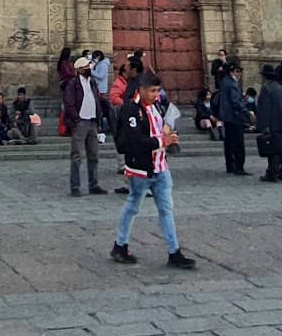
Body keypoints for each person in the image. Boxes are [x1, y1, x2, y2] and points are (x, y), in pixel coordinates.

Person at [110, 69, 196, 268]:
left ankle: (174, 252)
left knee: (166, 209)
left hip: (161, 167)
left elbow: (158, 131)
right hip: (141, 170)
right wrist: (162, 140)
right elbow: (136, 140)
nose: (156, 95)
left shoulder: (156, 107)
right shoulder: (131, 110)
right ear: (141, 89)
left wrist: (169, 135)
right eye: (152, 91)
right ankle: (120, 245)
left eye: (158, 90)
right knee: (133, 206)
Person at [62, 54, 108, 195]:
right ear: (79, 69)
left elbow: (96, 99)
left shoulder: (92, 82)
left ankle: (93, 184)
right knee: (77, 155)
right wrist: (76, 119)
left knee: (93, 155)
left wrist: (99, 117)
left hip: (93, 122)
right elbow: (69, 103)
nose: (89, 68)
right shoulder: (73, 84)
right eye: (86, 66)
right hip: (80, 122)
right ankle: (75, 187)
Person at [216, 60, 248, 176]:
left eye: (240, 71)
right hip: (234, 117)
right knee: (238, 143)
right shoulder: (232, 84)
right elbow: (235, 102)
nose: (239, 74)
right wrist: (247, 113)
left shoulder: (224, 82)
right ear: (231, 72)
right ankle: (239, 167)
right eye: (237, 71)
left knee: (229, 143)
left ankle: (230, 165)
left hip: (226, 117)